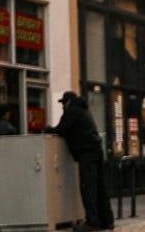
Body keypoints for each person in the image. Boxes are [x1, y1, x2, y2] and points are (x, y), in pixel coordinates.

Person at [48, 92, 113, 230]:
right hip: (96, 150)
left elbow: (62, 129)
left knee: (88, 187)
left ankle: (92, 222)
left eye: (63, 104)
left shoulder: (72, 110)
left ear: (67, 102)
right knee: (100, 187)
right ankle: (106, 220)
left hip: (86, 152)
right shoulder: (83, 109)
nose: (62, 107)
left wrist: (48, 130)